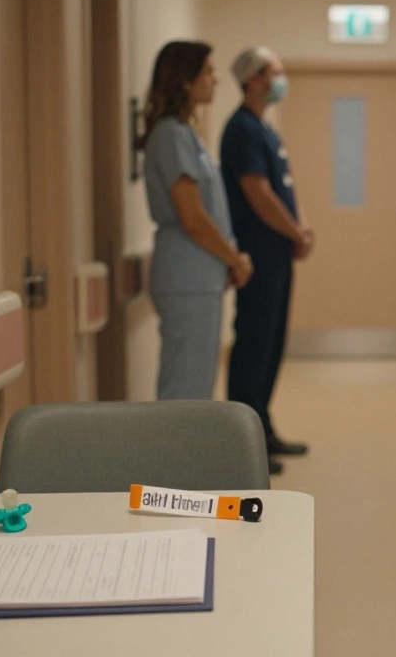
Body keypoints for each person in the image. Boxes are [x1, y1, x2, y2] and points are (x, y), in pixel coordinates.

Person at [141, 41, 253, 402]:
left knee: (197, 385)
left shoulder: (185, 134)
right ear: (185, 80)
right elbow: (193, 218)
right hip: (186, 279)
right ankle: (174, 460)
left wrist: (228, 258)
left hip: (197, 277)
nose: (215, 81)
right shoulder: (170, 135)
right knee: (184, 390)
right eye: (207, 72)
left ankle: (189, 458)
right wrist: (234, 259)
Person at [220, 46, 311, 475]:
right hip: (257, 254)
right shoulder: (241, 130)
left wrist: (300, 228)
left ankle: (263, 427)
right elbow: (257, 193)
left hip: (277, 253)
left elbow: (282, 188)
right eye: (275, 72)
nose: (281, 79)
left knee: (272, 344)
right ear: (253, 78)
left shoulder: (265, 129)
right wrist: (295, 232)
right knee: (254, 345)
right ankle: (242, 441)